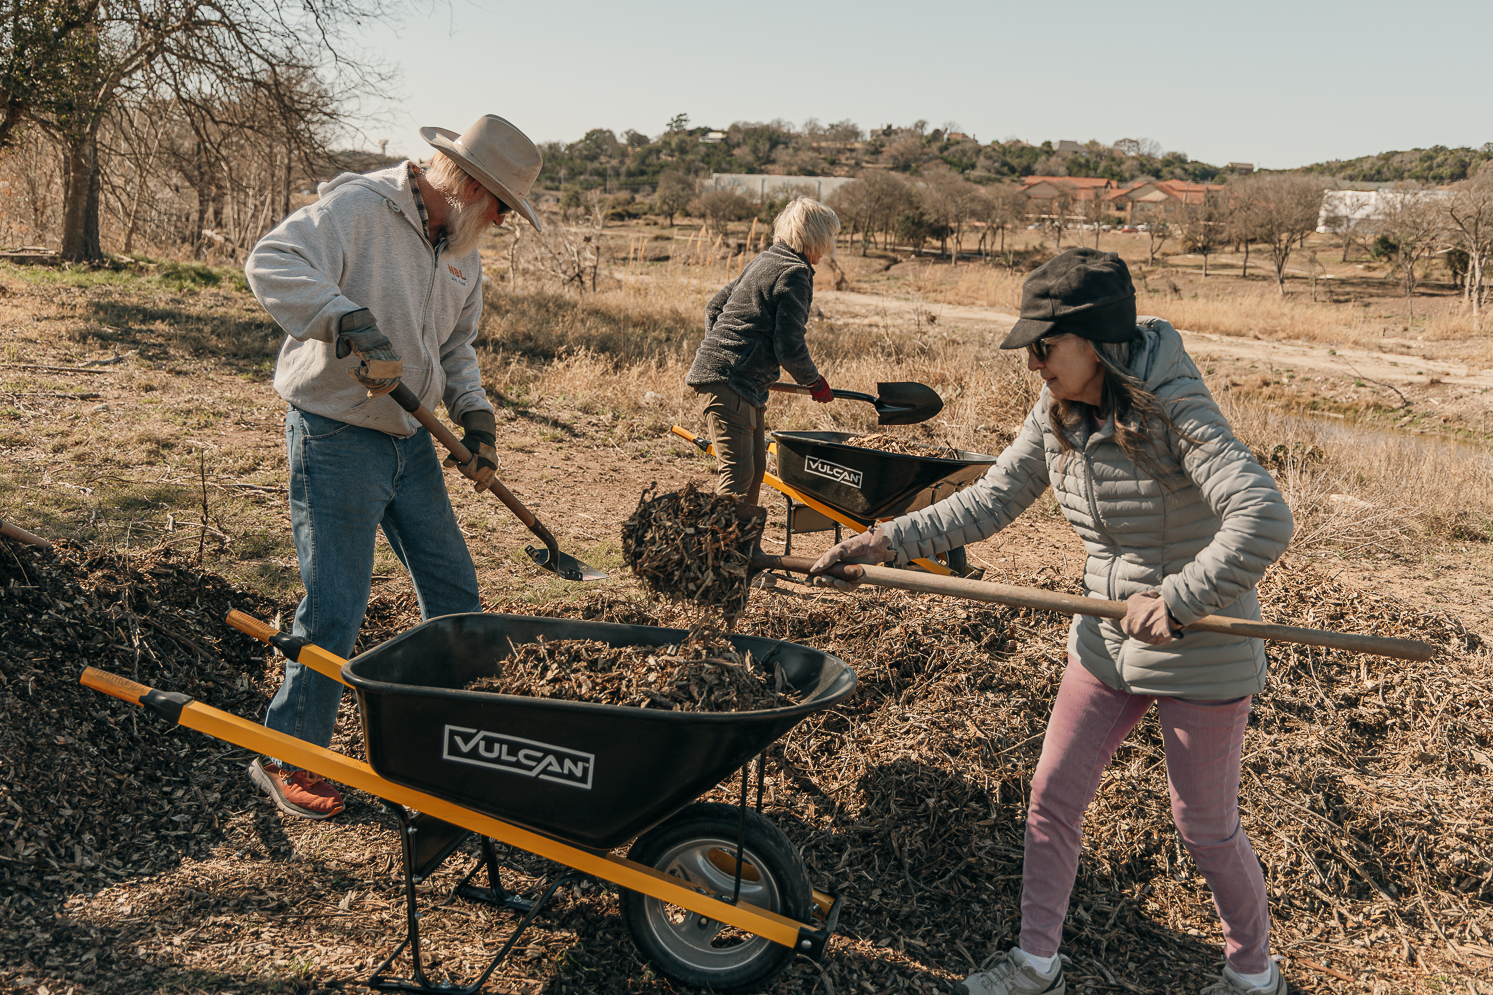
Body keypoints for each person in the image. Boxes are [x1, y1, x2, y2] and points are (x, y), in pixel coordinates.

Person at [811, 247, 1295, 995]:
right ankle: (1036, 966)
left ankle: (1252, 971)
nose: (1032, 363)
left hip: (1200, 645)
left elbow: (1262, 515)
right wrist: (887, 538)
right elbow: (993, 497)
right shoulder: (1057, 409)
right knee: (1051, 798)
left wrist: (1178, 599)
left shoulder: (1174, 407)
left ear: (1094, 340)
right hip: (1103, 637)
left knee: (1203, 827)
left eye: (1044, 346)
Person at [241, 114, 545, 819]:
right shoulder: (359, 207)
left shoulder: (461, 247)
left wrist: (476, 414)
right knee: (336, 603)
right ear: (469, 185)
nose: (502, 221)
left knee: (453, 590)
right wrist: (343, 319)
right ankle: (287, 753)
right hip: (337, 434)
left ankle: (449, 738)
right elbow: (271, 261)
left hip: (411, 440)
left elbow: (458, 343)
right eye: (501, 205)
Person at [685, 196, 840, 510]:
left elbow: (714, 307)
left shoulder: (765, 260)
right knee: (738, 474)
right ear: (816, 236)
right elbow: (789, 346)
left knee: (754, 471)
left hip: (740, 384)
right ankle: (719, 552)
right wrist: (814, 381)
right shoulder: (795, 273)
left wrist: (720, 353)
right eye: (829, 237)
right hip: (730, 383)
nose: (829, 246)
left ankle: (742, 551)